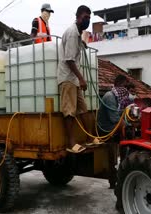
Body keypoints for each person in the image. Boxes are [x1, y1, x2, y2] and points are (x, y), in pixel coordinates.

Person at [57, 5, 93, 153]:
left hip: (74, 79)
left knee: (83, 109)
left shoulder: (77, 34)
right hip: (67, 78)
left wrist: (84, 42)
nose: (87, 20)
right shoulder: (72, 33)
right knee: (69, 111)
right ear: (78, 17)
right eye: (85, 17)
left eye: (89, 18)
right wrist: (82, 79)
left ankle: (90, 138)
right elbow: (70, 60)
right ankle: (71, 143)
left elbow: (77, 50)